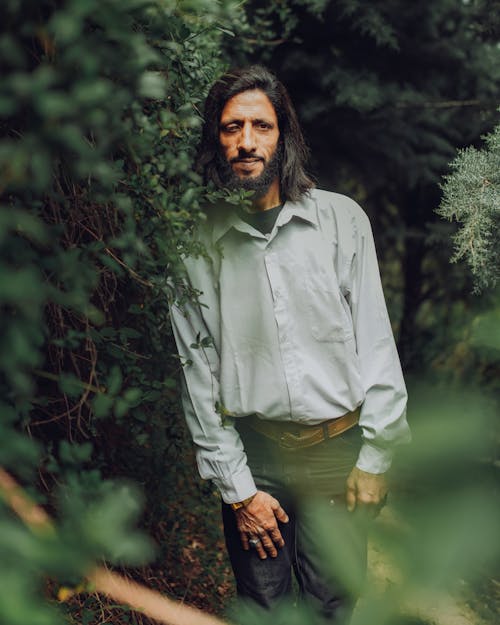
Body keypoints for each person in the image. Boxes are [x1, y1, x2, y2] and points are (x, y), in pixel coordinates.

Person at [169, 65, 410, 623]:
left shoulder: (341, 222)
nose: (246, 142)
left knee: (332, 606)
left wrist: (377, 457)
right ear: (215, 140)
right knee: (263, 609)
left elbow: (375, 343)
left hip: (339, 452)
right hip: (257, 456)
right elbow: (197, 370)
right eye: (231, 128)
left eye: (261, 126)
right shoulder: (192, 244)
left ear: (285, 137)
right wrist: (238, 489)